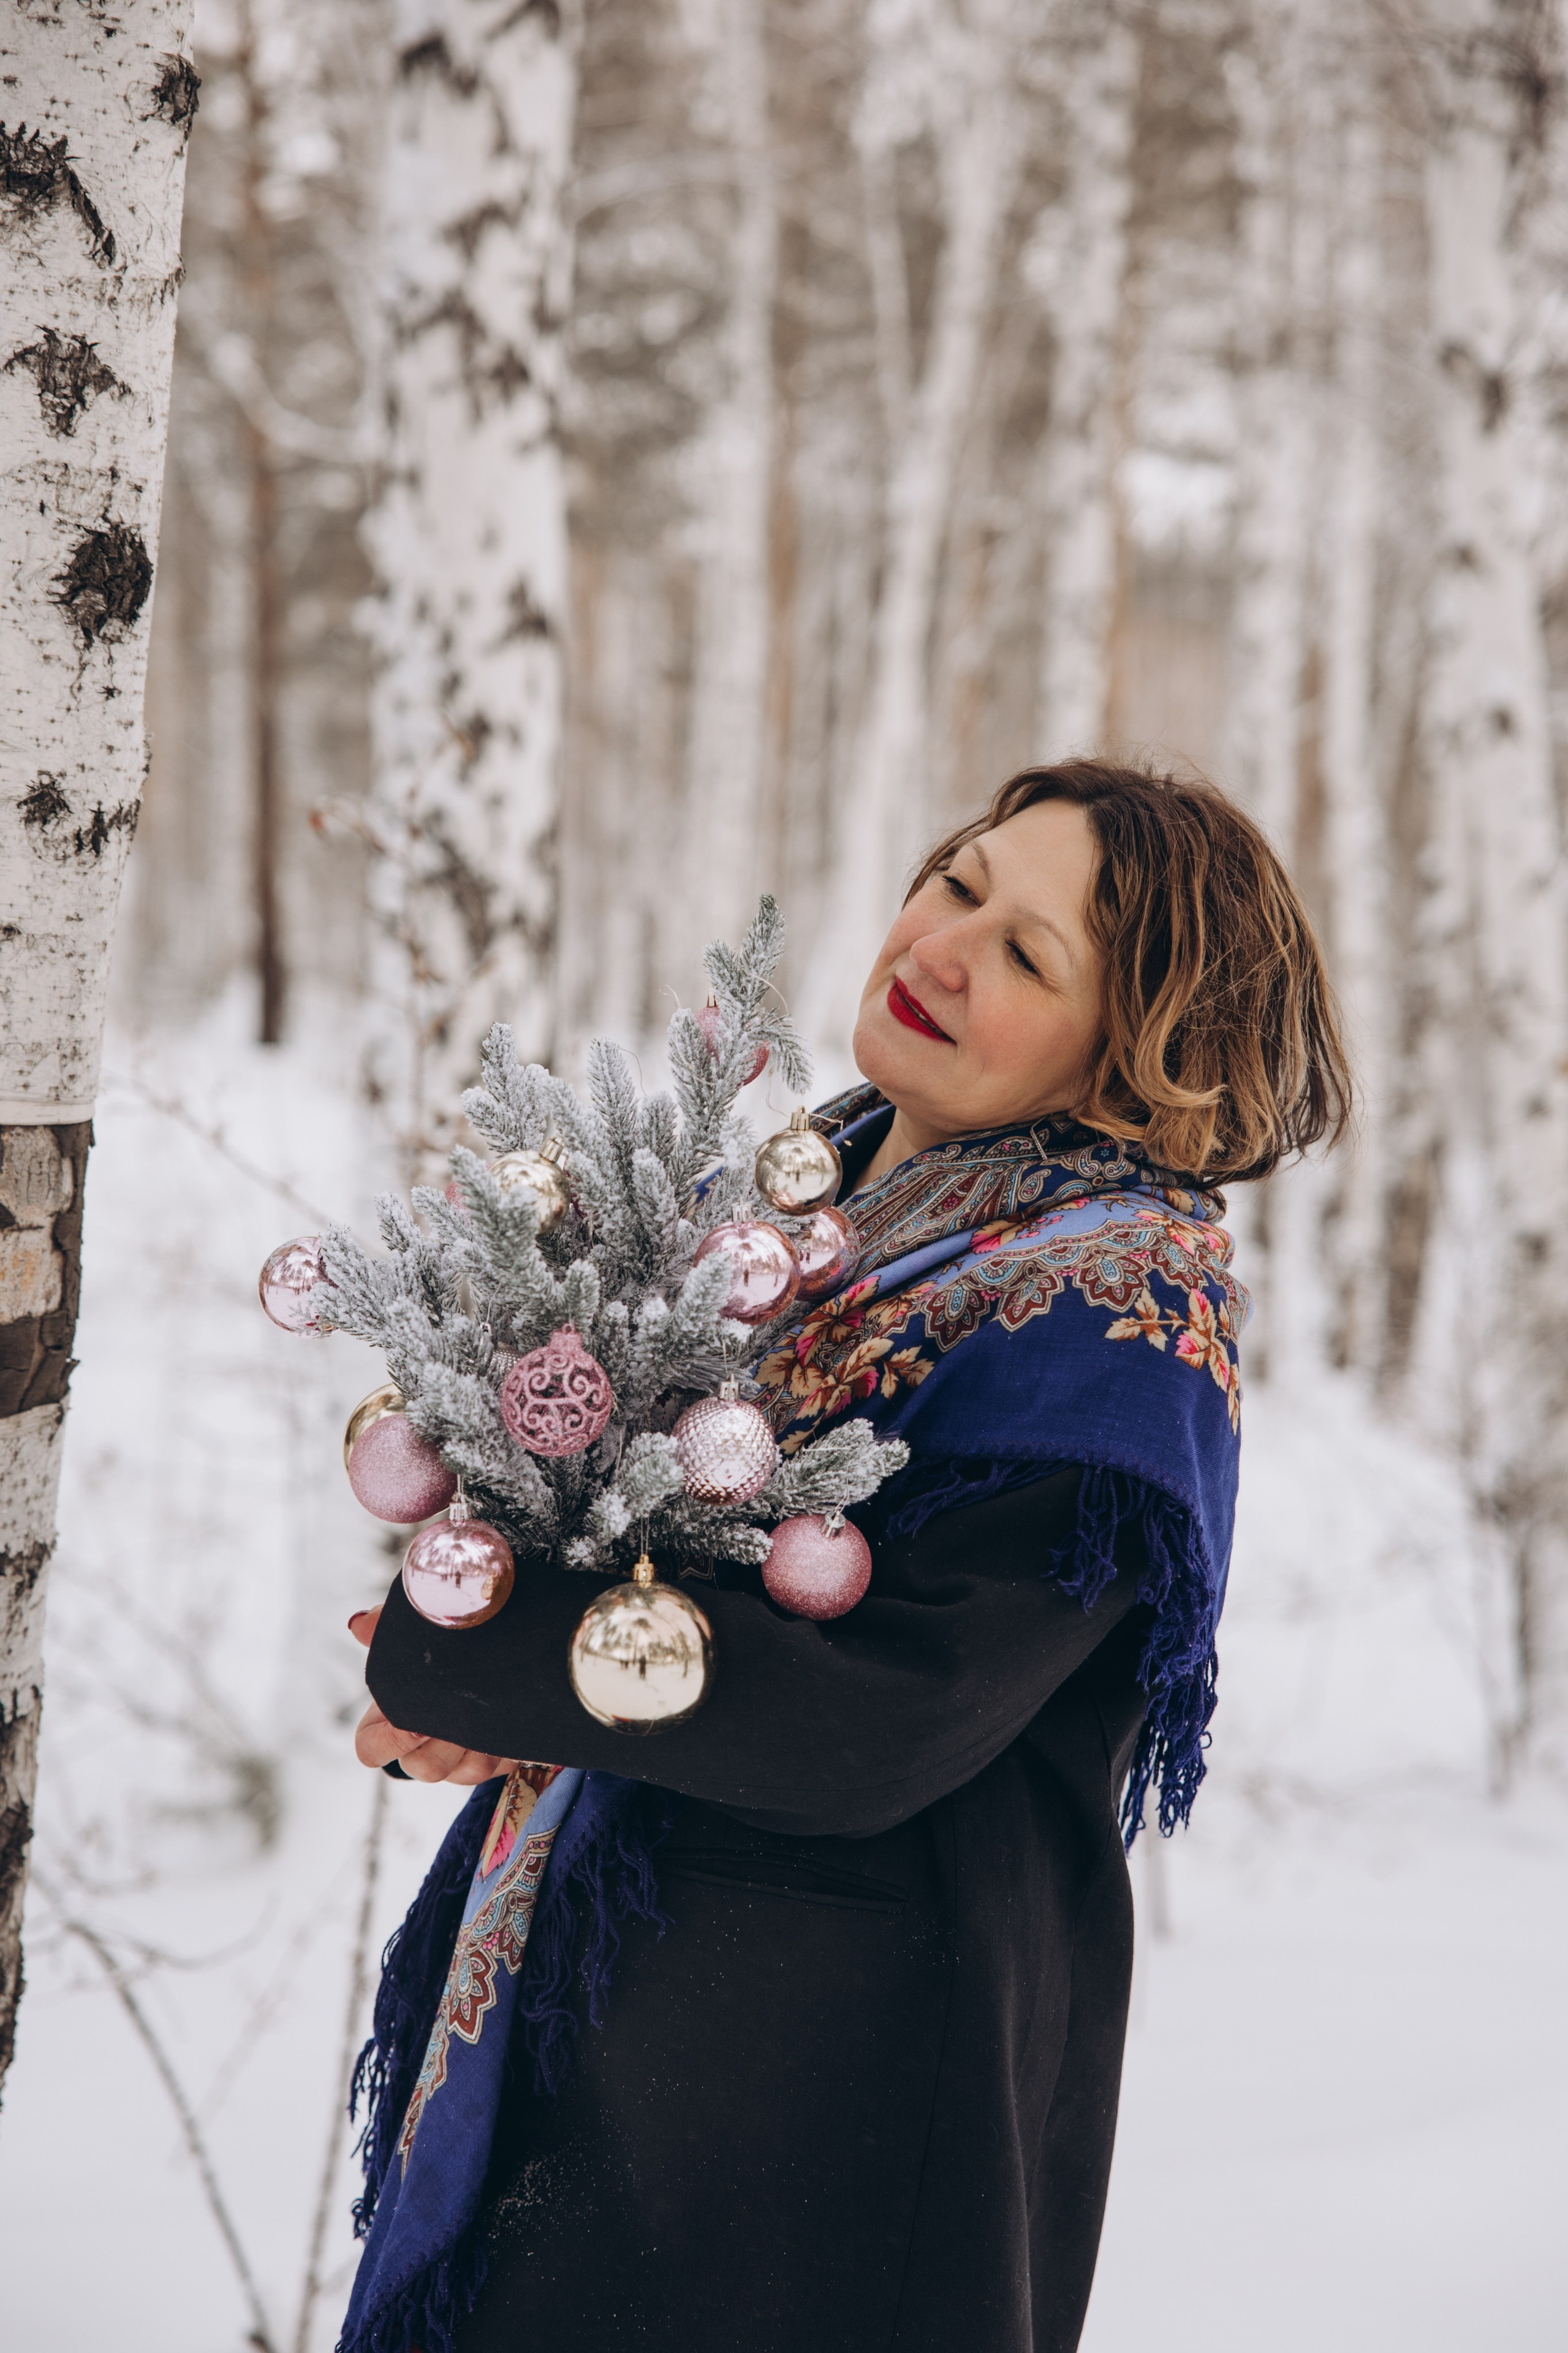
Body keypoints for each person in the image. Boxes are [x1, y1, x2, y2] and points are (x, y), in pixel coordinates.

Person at [343, 760, 1351, 2353]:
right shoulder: (784, 1203)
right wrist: (508, 1666)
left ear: (1138, 1057)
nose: (945, 948)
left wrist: (480, 1652)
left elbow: (885, 1713)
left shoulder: (1110, 1315)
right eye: (962, 883)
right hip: (607, 2027)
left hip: (823, 2119)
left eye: (1030, 956)